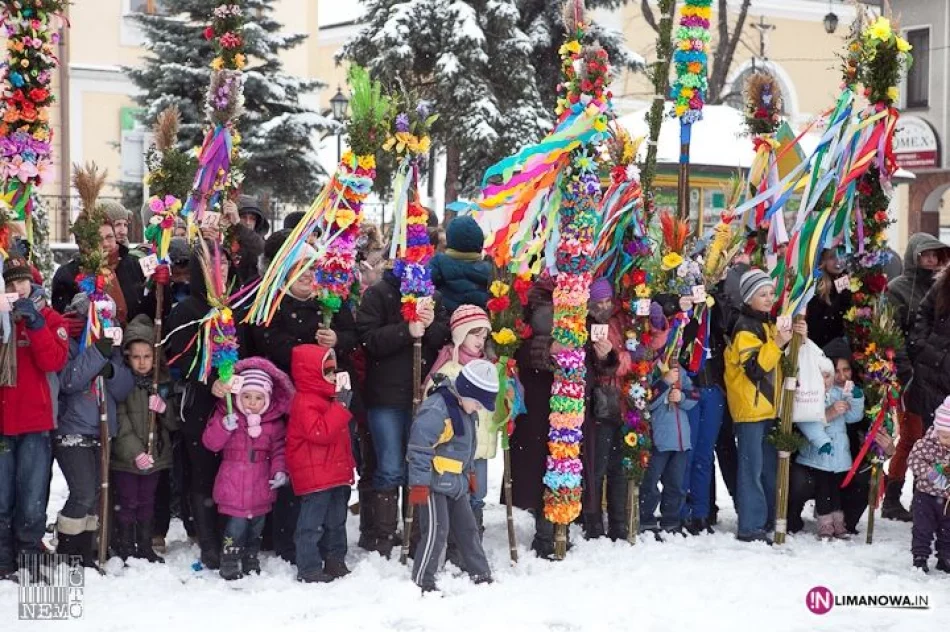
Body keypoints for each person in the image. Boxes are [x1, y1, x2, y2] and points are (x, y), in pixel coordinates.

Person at [355, 266, 450, 557]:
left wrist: (431, 326)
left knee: (418, 465)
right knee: (389, 466)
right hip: (386, 397)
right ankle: (383, 535)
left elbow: (444, 339)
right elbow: (368, 340)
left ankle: (415, 533)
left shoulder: (432, 295)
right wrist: (404, 331)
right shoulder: (379, 294)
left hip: (421, 396)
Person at [0, 257, 69, 581]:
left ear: (32, 282)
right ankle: (2, 558)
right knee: (1, 498)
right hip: (3, 422)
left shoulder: (50, 317)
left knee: (31, 498)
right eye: (10, 284)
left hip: (36, 424)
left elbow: (54, 361)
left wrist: (37, 326)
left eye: (21, 283)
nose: (17, 290)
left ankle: (28, 558)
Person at [725, 269, 805, 543]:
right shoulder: (744, 328)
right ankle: (751, 525)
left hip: (769, 409)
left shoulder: (766, 324)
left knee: (769, 469)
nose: (770, 298)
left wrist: (796, 337)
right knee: (752, 470)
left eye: (771, 293)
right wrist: (779, 343)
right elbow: (756, 369)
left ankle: (770, 517)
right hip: (751, 411)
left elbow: (780, 360)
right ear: (748, 298)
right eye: (763, 294)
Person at [164, 240, 231, 569]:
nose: (223, 272)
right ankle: (208, 542)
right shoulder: (187, 310)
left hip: (235, 401)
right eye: (214, 266)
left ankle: (230, 537)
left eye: (227, 265)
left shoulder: (235, 305)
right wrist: (209, 380)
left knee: (231, 473)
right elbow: (182, 357)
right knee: (203, 473)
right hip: (200, 403)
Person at [54, 293, 134, 567]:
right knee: (84, 492)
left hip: (101, 432)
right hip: (72, 429)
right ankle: (67, 550)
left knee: (97, 495)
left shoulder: (110, 346)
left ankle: (85, 552)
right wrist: (96, 353)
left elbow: (123, 390)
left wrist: (111, 369)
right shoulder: (67, 342)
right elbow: (68, 380)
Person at [408, 359, 498, 593]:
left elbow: (465, 448)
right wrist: (419, 484)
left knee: (469, 530)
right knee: (437, 532)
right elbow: (419, 448)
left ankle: (481, 573)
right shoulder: (438, 410)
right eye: (478, 403)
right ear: (467, 392)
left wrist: (469, 474)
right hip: (433, 484)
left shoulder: (465, 410)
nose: (479, 408)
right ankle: (422, 579)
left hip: (456, 483)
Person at [201, 357, 292, 580]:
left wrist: (279, 472)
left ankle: (251, 556)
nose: (252, 402)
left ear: (268, 399)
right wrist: (224, 427)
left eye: (258, 398)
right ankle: (230, 559)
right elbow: (210, 442)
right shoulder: (227, 415)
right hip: (233, 482)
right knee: (236, 527)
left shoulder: (273, 424)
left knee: (256, 526)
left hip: (260, 484)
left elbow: (280, 450)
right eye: (247, 396)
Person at [883, 233, 949, 521]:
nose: (931, 260)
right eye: (925, 254)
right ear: (913, 256)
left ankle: (931, 497)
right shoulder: (897, 289)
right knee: (911, 437)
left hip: (936, 373)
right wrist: (908, 365)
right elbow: (892, 332)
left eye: (936, 254)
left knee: (937, 440)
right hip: (909, 374)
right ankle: (893, 496)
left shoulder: (941, 285)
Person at [111, 314, 176, 563]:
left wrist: (164, 409)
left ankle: (145, 543)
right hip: (127, 458)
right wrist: (134, 452)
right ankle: (126, 543)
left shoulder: (161, 382)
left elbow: (172, 423)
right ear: (128, 356)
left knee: (147, 500)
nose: (142, 362)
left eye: (147, 357)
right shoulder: (122, 383)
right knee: (128, 500)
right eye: (136, 357)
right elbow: (121, 420)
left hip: (155, 455)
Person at [287, 345, 354, 583]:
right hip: (315, 475)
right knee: (311, 525)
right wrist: (341, 407)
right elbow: (320, 433)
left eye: (334, 370)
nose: (333, 376)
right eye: (327, 372)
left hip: (333, 472)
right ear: (311, 373)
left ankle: (335, 559)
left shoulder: (330, 398)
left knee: (337, 521)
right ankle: (309, 567)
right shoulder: (305, 401)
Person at [793, 354, 865, 540]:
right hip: (819, 453)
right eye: (823, 375)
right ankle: (825, 522)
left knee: (835, 487)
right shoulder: (809, 396)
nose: (828, 380)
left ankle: (838, 521)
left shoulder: (839, 393)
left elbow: (852, 417)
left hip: (838, 451)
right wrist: (822, 441)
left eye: (829, 376)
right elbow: (807, 422)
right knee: (822, 487)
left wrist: (856, 399)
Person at [580, 279, 626, 540]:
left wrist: (614, 357)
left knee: (619, 466)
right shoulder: (586, 324)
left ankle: (619, 522)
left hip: (623, 400)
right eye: (599, 302)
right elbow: (595, 368)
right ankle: (593, 521)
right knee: (596, 465)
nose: (605, 306)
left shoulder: (619, 322)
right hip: (599, 402)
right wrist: (605, 358)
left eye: (608, 301)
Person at [52, 219, 150, 326]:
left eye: (109, 237)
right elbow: (60, 316)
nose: (105, 243)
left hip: (133, 338)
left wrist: (161, 286)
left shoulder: (134, 265)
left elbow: (151, 310)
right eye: (98, 239)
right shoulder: (67, 274)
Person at [641, 360, 699, 536]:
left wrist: (681, 397)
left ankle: (671, 521)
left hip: (680, 440)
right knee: (649, 483)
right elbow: (645, 402)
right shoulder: (648, 368)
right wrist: (664, 382)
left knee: (675, 484)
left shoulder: (677, 368)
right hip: (658, 438)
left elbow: (694, 395)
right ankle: (646, 521)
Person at [907, 397, 950, 573]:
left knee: (948, 530)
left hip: (947, 500)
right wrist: (932, 474)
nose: (947, 440)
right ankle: (920, 556)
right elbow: (914, 461)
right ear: (937, 430)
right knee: (922, 528)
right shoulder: (925, 444)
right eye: (945, 436)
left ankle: (945, 556)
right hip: (925, 496)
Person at [429, 216, 490, 315]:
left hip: (446, 321)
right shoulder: (488, 270)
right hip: (479, 324)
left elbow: (424, 286)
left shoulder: (439, 262)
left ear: (450, 239)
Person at [805, 248, 851, 349]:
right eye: (831, 257)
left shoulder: (846, 278)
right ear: (823, 261)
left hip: (840, 342)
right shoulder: (818, 283)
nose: (838, 261)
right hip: (820, 345)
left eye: (841, 255)